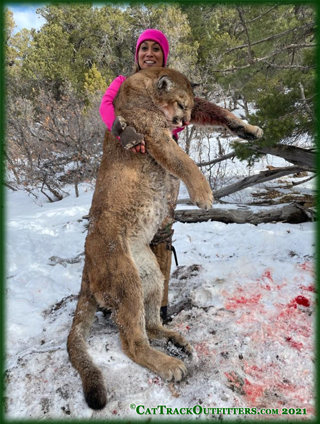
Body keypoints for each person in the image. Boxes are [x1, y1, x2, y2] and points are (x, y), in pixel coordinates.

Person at [99, 29, 263, 321]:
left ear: (164, 55)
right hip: (127, 162)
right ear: (137, 55)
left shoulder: (173, 84)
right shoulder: (124, 84)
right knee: (118, 231)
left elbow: (196, 108)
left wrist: (230, 121)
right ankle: (113, 298)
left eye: (156, 49)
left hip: (164, 168)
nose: (149, 53)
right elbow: (106, 106)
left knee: (160, 233)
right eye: (143, 48)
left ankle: (156, 306)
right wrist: (122, 129)